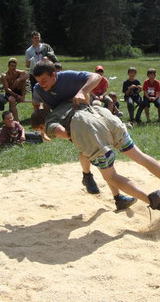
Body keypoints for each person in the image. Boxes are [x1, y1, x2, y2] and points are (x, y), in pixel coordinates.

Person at [31, 102, 160, 215]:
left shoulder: (50, 121)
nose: (42, 132)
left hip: (91, 132)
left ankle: (153, 201)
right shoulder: (64, 104)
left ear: (41, 125)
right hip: (105, 118)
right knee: (139, 156)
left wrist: (70, 135)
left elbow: (60, 131)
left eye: (40, 130)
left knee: (110, 176)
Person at [31, 58, 136, 210]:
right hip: (70, 123)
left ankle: (89, 178)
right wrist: (46, 130)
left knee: (95, 155)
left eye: (44, 80)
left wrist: (82, 92)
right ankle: (116, 196)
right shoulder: (39, 89)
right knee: (100, 156)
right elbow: (38, 109)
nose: (42, 84)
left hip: (85, 118)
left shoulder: (68, 78)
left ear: (55, 75)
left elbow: (95, 77)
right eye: (39, 81)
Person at [25, 31, 58, 110]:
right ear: (32, 39)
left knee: (47, 91)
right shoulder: (29, 51)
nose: (37, 39)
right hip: (34, 74)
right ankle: (37, 112)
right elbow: (27, 65)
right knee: (35, 93)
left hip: (46, 73)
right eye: (35, 38)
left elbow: (53, 57)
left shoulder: (46, 47)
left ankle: (47, 110)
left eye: (38, 37)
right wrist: (31, 61)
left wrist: (48, 57)